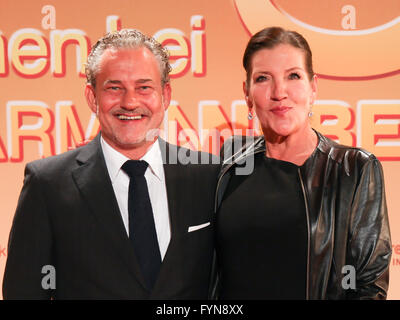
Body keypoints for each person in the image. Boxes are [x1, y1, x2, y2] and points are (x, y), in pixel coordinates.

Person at [3, 29, 219, 299]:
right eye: (114, 88)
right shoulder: (47, 184)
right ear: (92, 98)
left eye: (144, 87)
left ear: (165, 95)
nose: (130, 102)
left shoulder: (209, 176)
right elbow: (23, 292)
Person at [212, 26, 392, 300]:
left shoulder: (353, 168)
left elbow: (369, 285)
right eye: (263, 78)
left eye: (293, 76)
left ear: (313, 88)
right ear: (247, 93)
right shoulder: (229, 162)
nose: (279, 92)